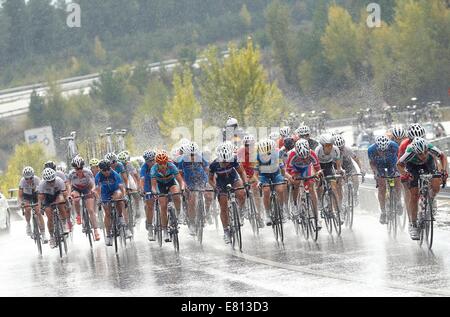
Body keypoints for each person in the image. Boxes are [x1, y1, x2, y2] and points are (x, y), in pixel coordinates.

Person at [397, 137, 448, 240]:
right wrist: (406, 174)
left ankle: (431, 200)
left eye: (425, 152)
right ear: (415, 151)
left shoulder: (430, 147)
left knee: (436, 184)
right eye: (420, 154)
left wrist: (443, 170)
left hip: (428, 164)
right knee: (414, 195)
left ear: (427, 149)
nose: (423, 155)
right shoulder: (410, 152)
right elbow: (399, 164)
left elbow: (442, 156)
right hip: (412, 166)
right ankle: (413, 225)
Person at [209, 142, 248, 244]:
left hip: (233, 178)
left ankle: (241, 210)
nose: (225, 164)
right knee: (223, 207)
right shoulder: (214, 164)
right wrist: (215, 188)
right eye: (223, 162)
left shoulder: (234, 159)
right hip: (221, 182)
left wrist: (246, 183)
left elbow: (242, 172)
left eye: (227, 162)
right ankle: (226, 231)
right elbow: (210, 179)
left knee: (241, 193)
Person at [95, 159, 132, 247]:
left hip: (116, 190)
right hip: (105, 193)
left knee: (118, 198)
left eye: (108, 169)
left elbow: (121, 187)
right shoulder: (98, 176)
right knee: (107, 213)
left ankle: (120, 217)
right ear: (100, 170)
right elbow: (97, 189)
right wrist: (99, 199)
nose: (107, 172)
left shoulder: (114, 174)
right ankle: (108, 235)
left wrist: (124, 196)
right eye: (104, 170)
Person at [151, 150, 185, 242]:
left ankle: (179, 213)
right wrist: (154, 192)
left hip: (171, 183)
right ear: (157, 163)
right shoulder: (154, 169)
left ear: (167, 162)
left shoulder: (171, 166)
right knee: (163, 206)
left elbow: (181, 181)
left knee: (176, 194)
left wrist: (182, 188)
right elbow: (153, 186)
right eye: (160, 163)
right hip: (160, 185)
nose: (163, 165)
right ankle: (165, 230)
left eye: (164, 163)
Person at [368, 135, 402, 225]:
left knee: (397, 179)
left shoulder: (394, 146)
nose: (382, 153)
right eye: (380, 151)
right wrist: (375, 173)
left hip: (392, 164)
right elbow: (372, 163)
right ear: (376, 148)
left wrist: (399, 171)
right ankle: (383, 212)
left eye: (385, 151)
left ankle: (398, 201)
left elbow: (400, 160)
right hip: (379, 166)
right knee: (381, 187)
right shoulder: (371, 150)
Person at [254, 139, 287, 226]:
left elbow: (283, 169)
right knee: (266, 190)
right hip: (263, 176)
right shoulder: (257, 157)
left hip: (275, 174)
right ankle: (268, 214)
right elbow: (255, 174)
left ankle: (281, 210)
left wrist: (283, 178)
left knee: (280, 189)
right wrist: (258, 182)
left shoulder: (277, 155)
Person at [68, 156, 100, 241]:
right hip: (76, 189)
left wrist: (93, 190)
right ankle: (78, 215)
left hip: (87, 188)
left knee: (90, 210)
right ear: (74, 168)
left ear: (83, 166)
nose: (79, 170)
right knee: (76, 198)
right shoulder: (71, 174)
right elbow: (68, 185)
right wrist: (69, 194)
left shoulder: (88, 172)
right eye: (77, 168)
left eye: (80, 168)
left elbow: (93, 183)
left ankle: (96, 230)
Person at [37, 168, 70, 248]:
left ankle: (64, 223)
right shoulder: (42, 184)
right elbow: (40, 198)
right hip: (47, 198)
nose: (51, 183)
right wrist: (40, 208)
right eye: (49, 181)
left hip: (57, 194)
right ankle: (52, 237)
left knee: (61, 204)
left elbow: (64, 193)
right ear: (45, 180)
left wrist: (66, 201)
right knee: (49, 217)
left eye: (52, 180)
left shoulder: (59, 181)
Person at [18, 167, 48, 243]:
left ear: (33, 176)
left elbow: (41, 194)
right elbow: (20, 195)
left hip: (36, 195)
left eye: (30, 178)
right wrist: (21, 203)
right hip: (27, 196)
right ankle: (28, 224)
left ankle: (43, 234)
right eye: (26, 178)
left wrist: (40, 204)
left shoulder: (37, 180)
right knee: (27, 209)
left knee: (38, 212)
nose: (28, 180)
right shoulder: (22, 181)